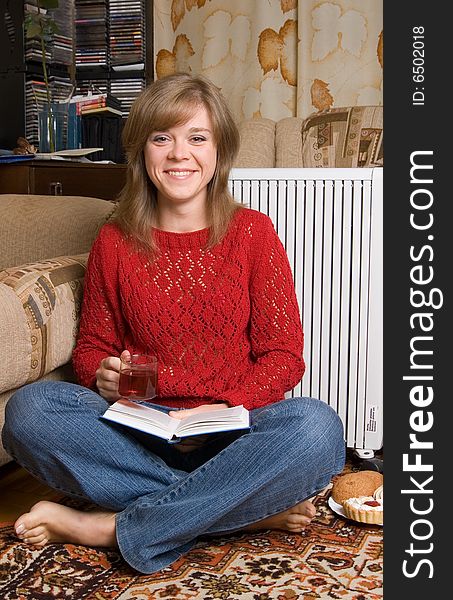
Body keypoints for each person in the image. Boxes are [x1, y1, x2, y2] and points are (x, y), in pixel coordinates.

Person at [2, 73, 345, 575]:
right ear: (143, 151)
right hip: (140, 432)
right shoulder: (114, 242)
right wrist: (104, 374)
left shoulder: (253, 233)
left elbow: (283, 354)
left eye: (197, 138)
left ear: (219, 151)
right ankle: (236, 514)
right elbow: (93, 349)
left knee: (318, 428)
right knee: (31, 411)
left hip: (231, 432)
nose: (179, 154)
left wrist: (226, 406)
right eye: (162, 138)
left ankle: (111, 527)